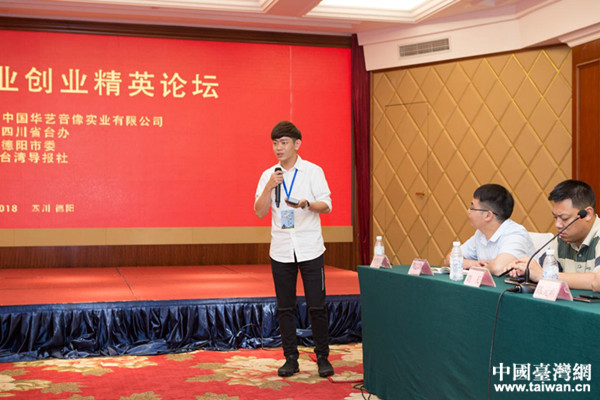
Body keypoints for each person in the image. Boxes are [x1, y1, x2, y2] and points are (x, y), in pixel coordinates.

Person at [254, 120, 334, 378]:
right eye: (275, 143)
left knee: (317, 306)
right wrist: (269, 186)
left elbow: (327, 205)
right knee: (285, 307)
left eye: (284, 142)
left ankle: (322, 357)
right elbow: (259, 211)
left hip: (310, 248)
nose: (278, 148)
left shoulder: (313, 171)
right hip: (281, 249)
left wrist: (306, 204)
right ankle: (290, 358)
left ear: (297, 144)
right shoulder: (269, 175)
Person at [509, 179, 600, 290]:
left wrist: (544, 275)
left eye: (564, 218)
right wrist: (525, 271)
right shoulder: (562, 238)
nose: (558, 225)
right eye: (555, 217)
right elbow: (540, 271)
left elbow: (597, 281)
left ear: (587, 214)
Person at [443, 183, 534, 275]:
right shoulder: (480, 233)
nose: (468, 211)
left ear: (488, 215)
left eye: (472, 207)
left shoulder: (515, 233)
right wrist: (471, 263)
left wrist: (475, 267)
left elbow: (499, 268)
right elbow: (449, 259)